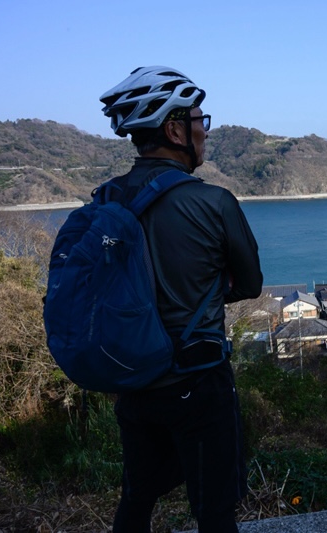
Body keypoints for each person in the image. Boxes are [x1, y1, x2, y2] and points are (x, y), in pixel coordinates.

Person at [99, 66, 263, 532]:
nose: (204, 132)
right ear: (174, 130)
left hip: (133, 377)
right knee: (214, 510)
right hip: (198, 378)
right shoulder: (214, 202)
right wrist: (203, 290)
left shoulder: (106, 199)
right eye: (199, 120)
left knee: (136, 499)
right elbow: (250, 284)